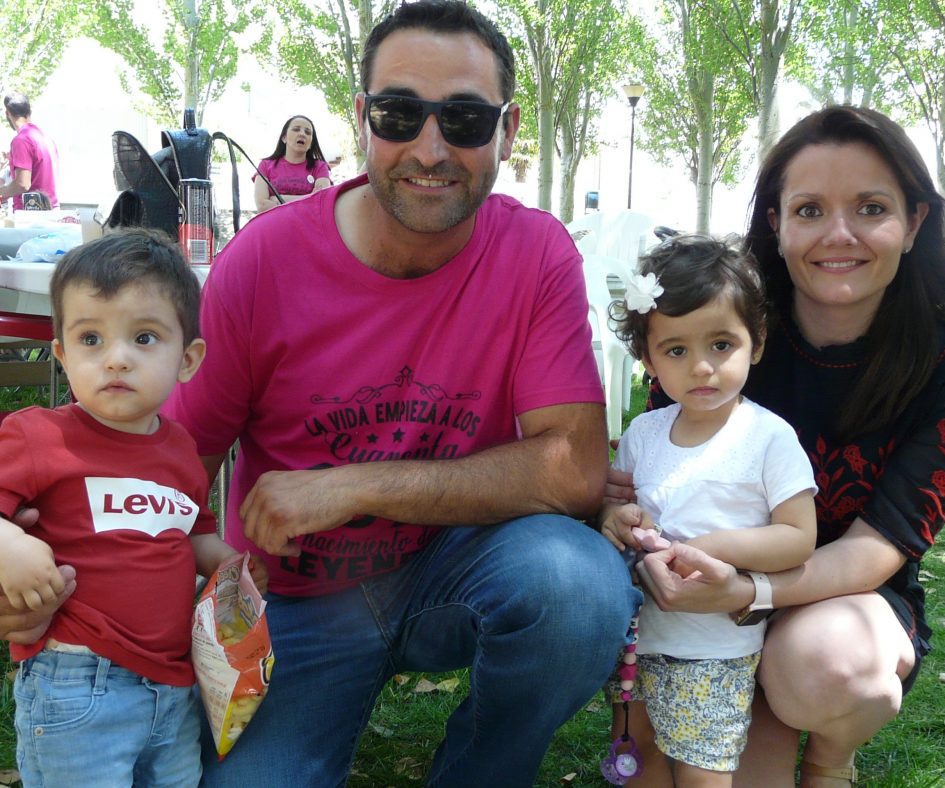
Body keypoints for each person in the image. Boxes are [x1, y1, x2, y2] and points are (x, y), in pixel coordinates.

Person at [0, 2, 640, 786]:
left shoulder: (535, 251)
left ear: (507, 131)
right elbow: (165, 463)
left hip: (460, 570)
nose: (430, 148)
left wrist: (352, 486)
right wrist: (49, 566)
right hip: (293, 598)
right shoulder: (264, 260)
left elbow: (574, 467)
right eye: (400, 114)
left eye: (466, 120)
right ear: (363, 119)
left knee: (578, 586)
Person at [609, 106, 945, 786]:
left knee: (828, 667)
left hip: (841, 601)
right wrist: (625, 517)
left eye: (871, 208)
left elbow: (882, 542)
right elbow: (656, 463)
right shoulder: (718, 326)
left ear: (914, 222)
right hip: (701, 607)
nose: (838, 234)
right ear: (777, 223)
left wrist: (749, 591)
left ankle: (830, 755)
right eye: (810, 210)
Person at [0, 228, 267, 786]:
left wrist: (228, 564)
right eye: (91, 339)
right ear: (61, 354)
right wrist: (8, 544)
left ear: (187, 359)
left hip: (173, 684)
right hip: (78, 676)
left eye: (144, 338)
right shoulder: (38, 436)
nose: (117, 359)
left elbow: (189, 532)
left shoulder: (180, 450)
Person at [599, 235, 817, 787]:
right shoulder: (643, 434)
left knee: (704, 769)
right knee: (637, 750)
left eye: (721, 344)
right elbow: (618, 508)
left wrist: (711, 548)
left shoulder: (768, 438)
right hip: (638, 636)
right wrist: (614, 519)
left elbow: (798, 536)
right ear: (647, 359)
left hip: (715, 649)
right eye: (676, 350)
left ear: (756, 343)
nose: (701, 367)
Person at [252, 114, 332, 212]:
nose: (302, 134)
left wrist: (278, 199)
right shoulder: (265, 165)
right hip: (275, 221)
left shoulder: (320, 167)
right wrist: (310, 197)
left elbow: (321, 202)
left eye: (307, 132)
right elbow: (262, 205)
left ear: (311, 143)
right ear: (284, 138)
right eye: (296, 129)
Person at [0, 92, 59, 210]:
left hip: (30, 215)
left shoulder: (21, 140)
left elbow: (22, 184)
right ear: (29, 111)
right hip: (51, 211)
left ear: (7, 113)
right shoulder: (46, 138)